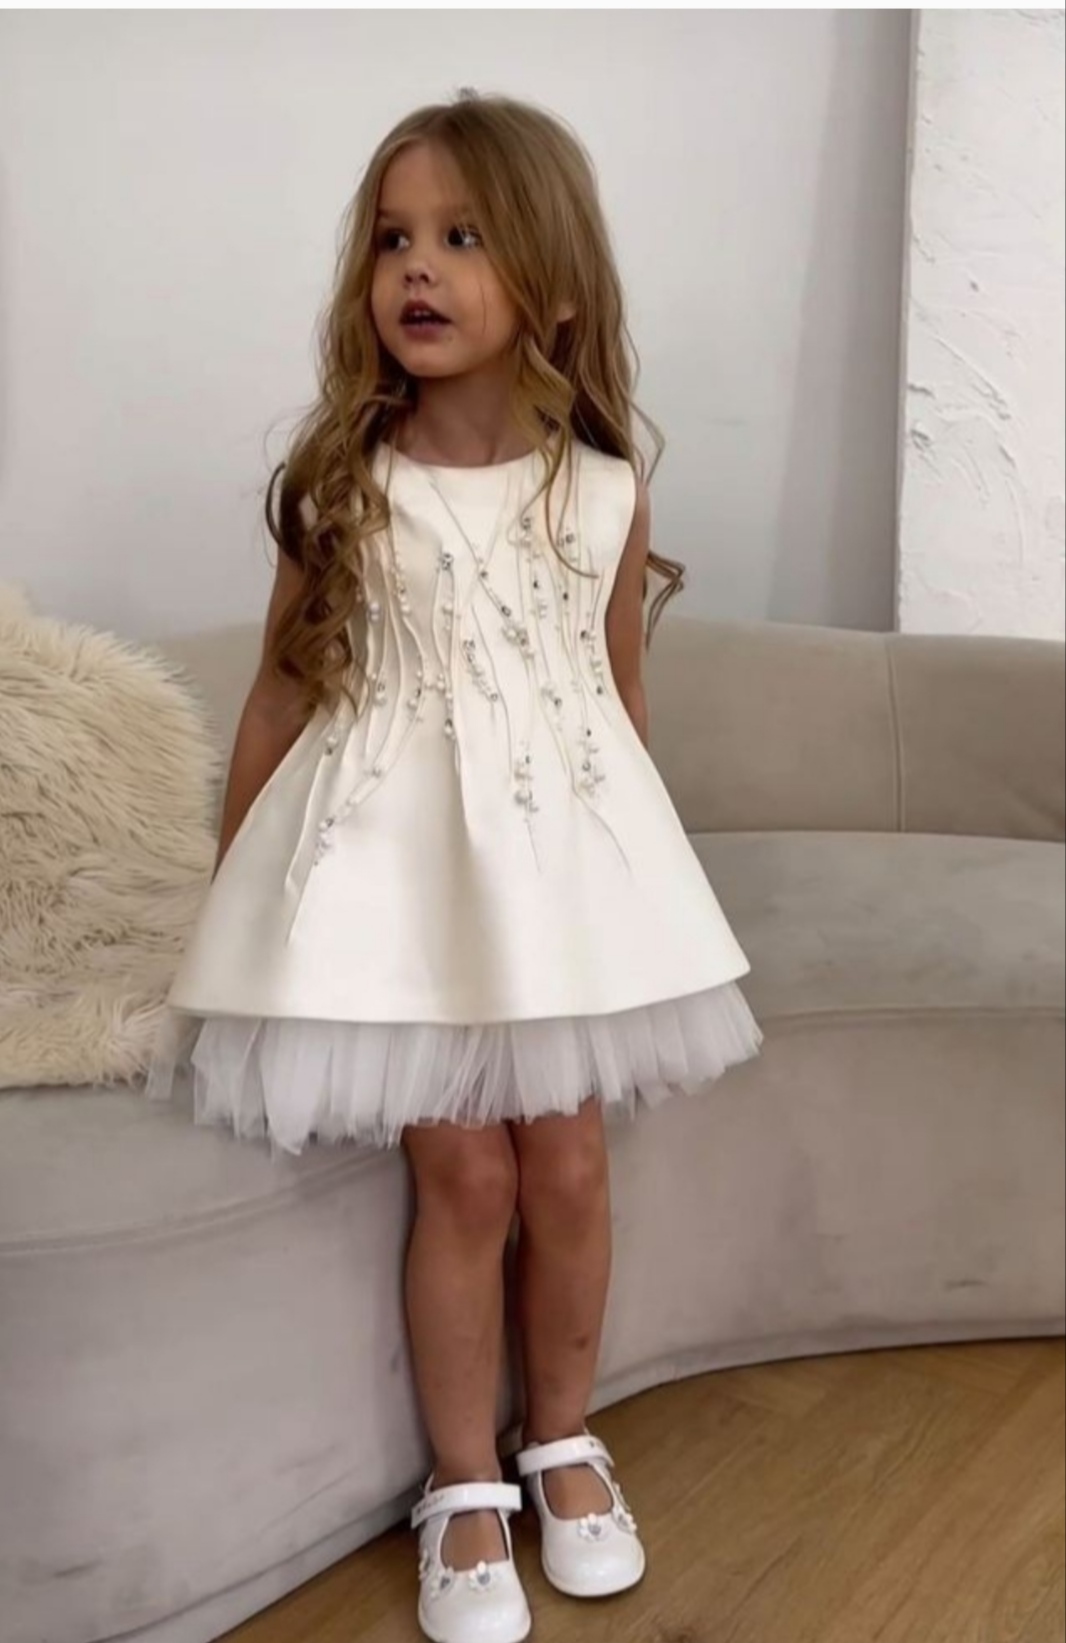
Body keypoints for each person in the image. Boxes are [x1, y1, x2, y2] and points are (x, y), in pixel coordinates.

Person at [147, 90, 763, 1643]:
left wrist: (634, 895)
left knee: (568, 1164)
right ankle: (460, 1481)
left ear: (550, 287)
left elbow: (611, 700)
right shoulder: (346, 485)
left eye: (463, 237)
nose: (416, 268)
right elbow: (280, 695)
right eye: (393, 240)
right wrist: (237, 896)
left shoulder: (600, 488)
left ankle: (560, 1440)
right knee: (466, 1171)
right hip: (397, 889)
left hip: (554, 885)